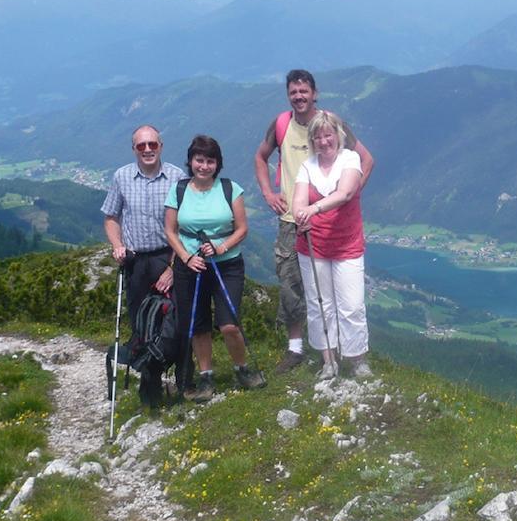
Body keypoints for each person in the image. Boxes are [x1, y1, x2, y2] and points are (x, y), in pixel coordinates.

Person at [254, 69, 373, 374]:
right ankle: (297, 349)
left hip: (328, 220)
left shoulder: (333, 124)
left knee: (338, 298)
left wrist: (351, 194)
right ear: (288, 95)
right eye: (293, 91)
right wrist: (268, 192)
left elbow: (366, 159)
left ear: (315, 93)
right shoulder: (281, 125)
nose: (299, 96)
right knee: (294, 285)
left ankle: (349, 357)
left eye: (304, 91)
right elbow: (261, 157)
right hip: (293, 218)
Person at [166, 135, 264, 401]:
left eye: (210, 161)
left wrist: (221, 246)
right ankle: (206, 376)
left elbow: (242, 228)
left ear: (217, 164)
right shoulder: (178, 190)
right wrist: (186, 257)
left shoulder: (231, 188)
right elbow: (170, 230)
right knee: (199, 325)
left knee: (228, 323)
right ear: (190, 161)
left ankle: (241, 368)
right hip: (191, 266)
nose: (204, 166)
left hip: (227, 264)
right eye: (200, 160)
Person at [291, 111, 370, 379]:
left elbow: (346, 192)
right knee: (319, 303)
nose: (324, 141)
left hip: (347, 244)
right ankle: (329, 360)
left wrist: (312, 209)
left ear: (338, 135)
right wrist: (301, 213)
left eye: (328, 135)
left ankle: (356, 359)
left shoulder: (350, 159)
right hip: (314, 245)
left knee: (351, 304)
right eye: (318, 136)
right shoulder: (307, 167)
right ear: (312, 141)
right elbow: (298, 200)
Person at [101, 125, 183, 343]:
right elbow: (111, 217)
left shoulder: (177, 177)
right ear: (134, 149)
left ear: (161, 147)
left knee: (173, 321)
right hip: (135, 262)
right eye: (141, 145)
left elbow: (185, 226)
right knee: (140, 321)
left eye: (152, 144)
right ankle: (149, 375)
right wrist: (117, 245)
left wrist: (173, 268)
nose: (148, 149)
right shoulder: (121, 177)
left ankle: (182, 374)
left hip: (168, 257)